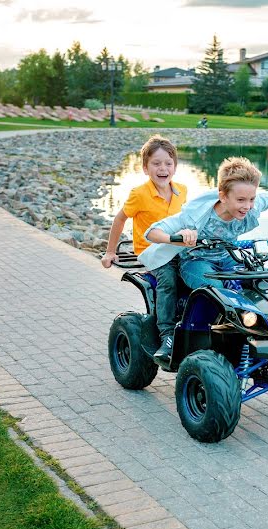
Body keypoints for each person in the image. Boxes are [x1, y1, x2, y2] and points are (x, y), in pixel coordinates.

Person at [141, 157, 268, 359]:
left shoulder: (249, 202)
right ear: (223, 196)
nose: (248, 206)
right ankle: (172, 336)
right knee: (217, 289)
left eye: (251, 199)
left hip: (228, 256)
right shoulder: (195, 215)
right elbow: (152, 232)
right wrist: (178, 239)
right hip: (195, 261)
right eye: (241, 200)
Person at [101, 135, 187, 364]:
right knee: (168, 279)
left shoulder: (182, 191)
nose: (163, 168)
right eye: (156, 164)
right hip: (152, 252)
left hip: (177, 248)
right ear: (145, 168)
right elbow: (120, 220)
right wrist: (110, 251)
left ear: (175, 167)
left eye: (168, 163)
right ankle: (167, 333)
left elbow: (191, 221)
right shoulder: (139, 194)